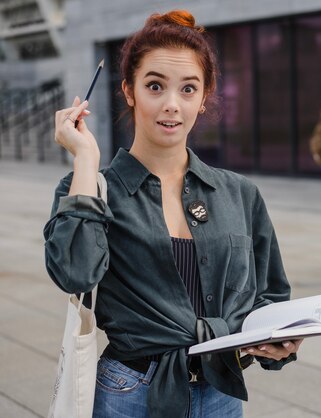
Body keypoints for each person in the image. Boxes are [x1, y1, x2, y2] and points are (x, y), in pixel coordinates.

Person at [44, 10, 301, 418]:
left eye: (187, 89)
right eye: (154, 86)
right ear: (129, 91)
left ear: (204, 98)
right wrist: (86, 160)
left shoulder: (239, 193)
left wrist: (278, 340)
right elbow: (74, 273)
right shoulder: (91, 187)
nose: (171, 105)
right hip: (129, 392)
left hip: (222, 392)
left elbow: (270, 293)